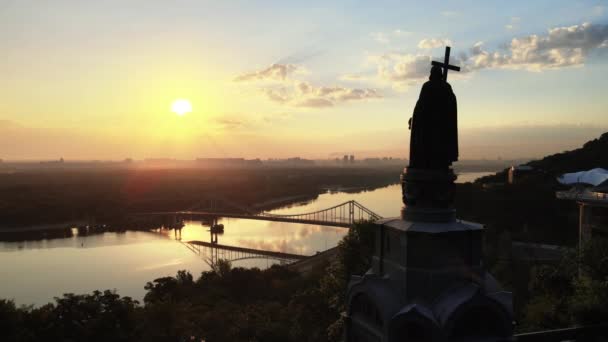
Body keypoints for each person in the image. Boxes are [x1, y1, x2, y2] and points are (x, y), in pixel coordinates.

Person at [408, 65, 458, 169]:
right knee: (438, 148)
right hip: (442, 126)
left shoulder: (427, 86)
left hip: (429, 126)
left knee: (428, 147)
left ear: (432, 74)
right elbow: (451, 104)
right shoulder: (446, 87)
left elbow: (420, 106)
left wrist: (414, 119)